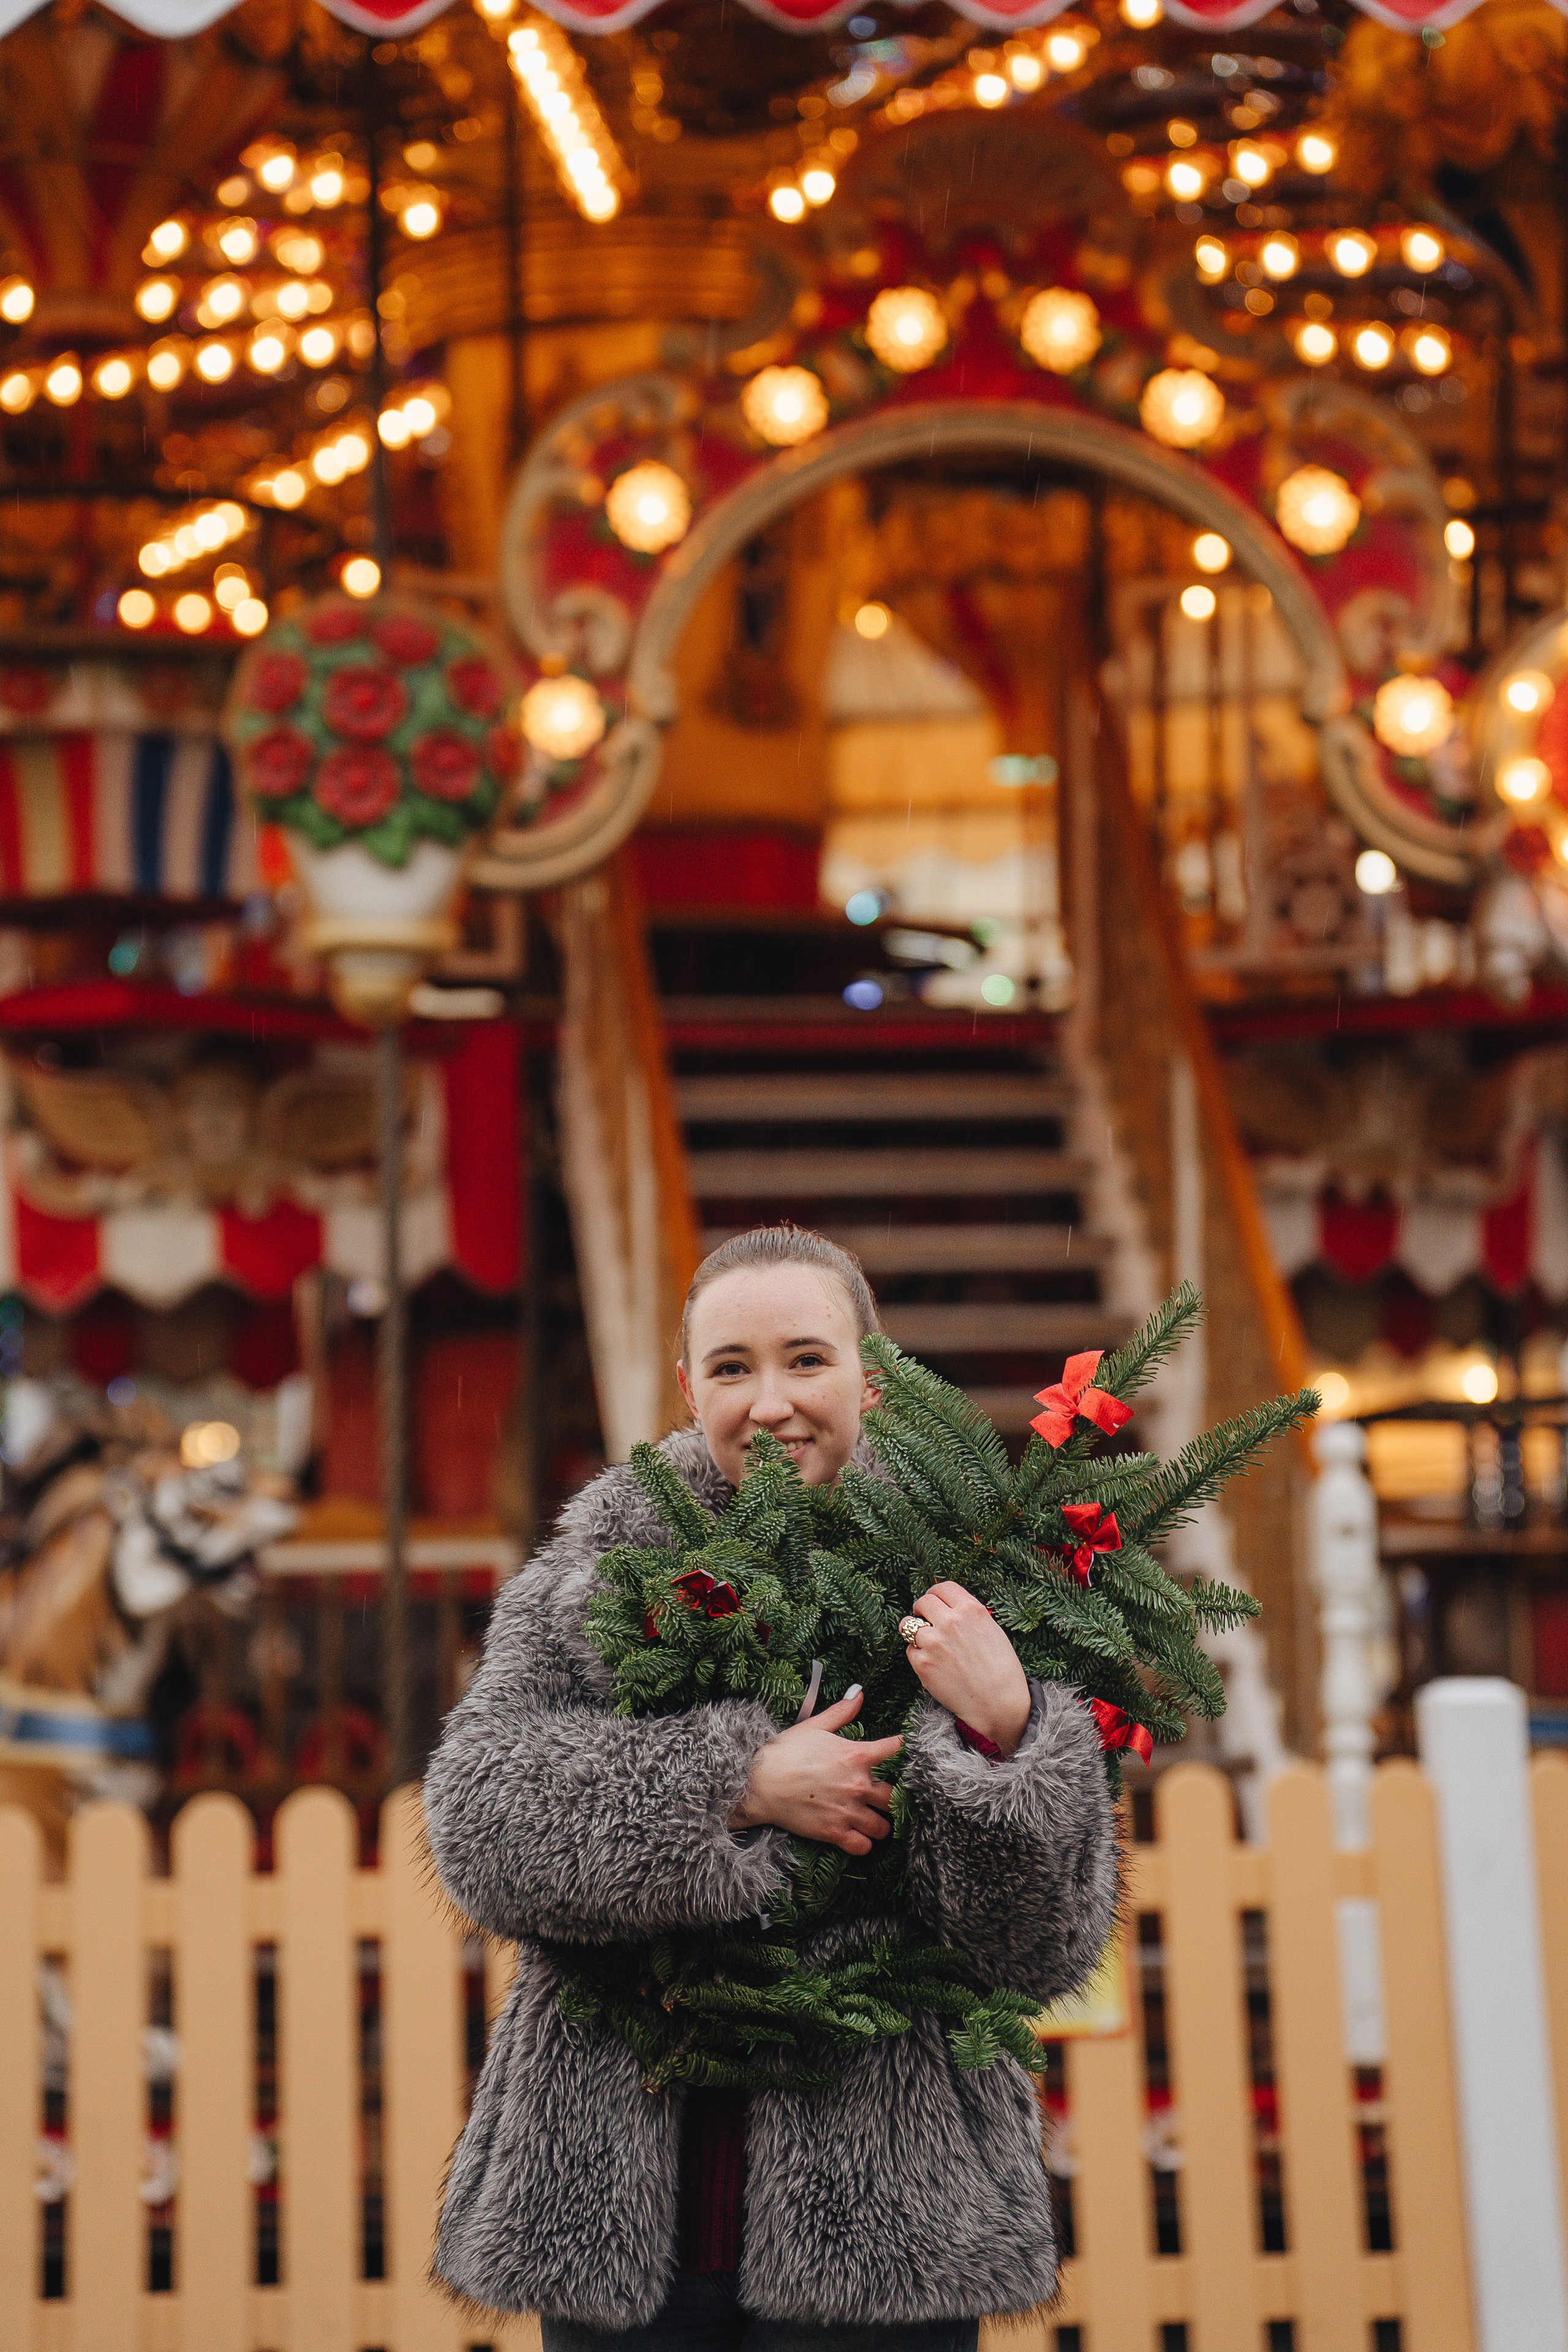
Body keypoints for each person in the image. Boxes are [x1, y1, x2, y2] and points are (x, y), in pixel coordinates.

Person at [424, 1224, 1120, 2351]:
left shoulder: (970, 1589)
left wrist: (1008, 1732)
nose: (772, 1402)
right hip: (620, 2218)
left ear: (872, 1375)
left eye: (807, 1359)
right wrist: (734, 1786)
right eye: (733, 1367)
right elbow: (479, 1823)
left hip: (888, 2223)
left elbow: (1040, 1947)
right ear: (687, 1385)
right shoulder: (595, 1575)